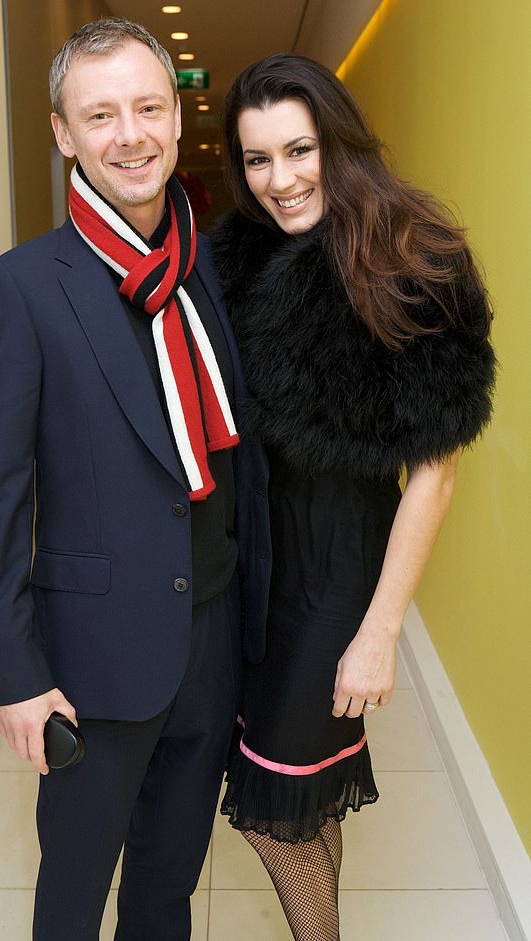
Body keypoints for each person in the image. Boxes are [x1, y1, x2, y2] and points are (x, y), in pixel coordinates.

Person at [0, 18, 270, 941]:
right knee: (71, 903)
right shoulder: (21, 287)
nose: (129, 134)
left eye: (146, 107)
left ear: (177, 119)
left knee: (166, 893)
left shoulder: (215, 268)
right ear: (65, 134)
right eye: (101, 115)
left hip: (211, 650)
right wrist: (17, 677)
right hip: (91, 665)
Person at [211, 54, 496, 941]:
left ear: (339, 141)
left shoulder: (417, 257)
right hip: (255, 550)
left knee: (269, 808)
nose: (281, 181)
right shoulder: (242, 256)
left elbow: (436, 471)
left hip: (336, 563)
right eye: (258, 160)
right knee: (301, 795)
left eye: (299, 151)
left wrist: (378, 632)